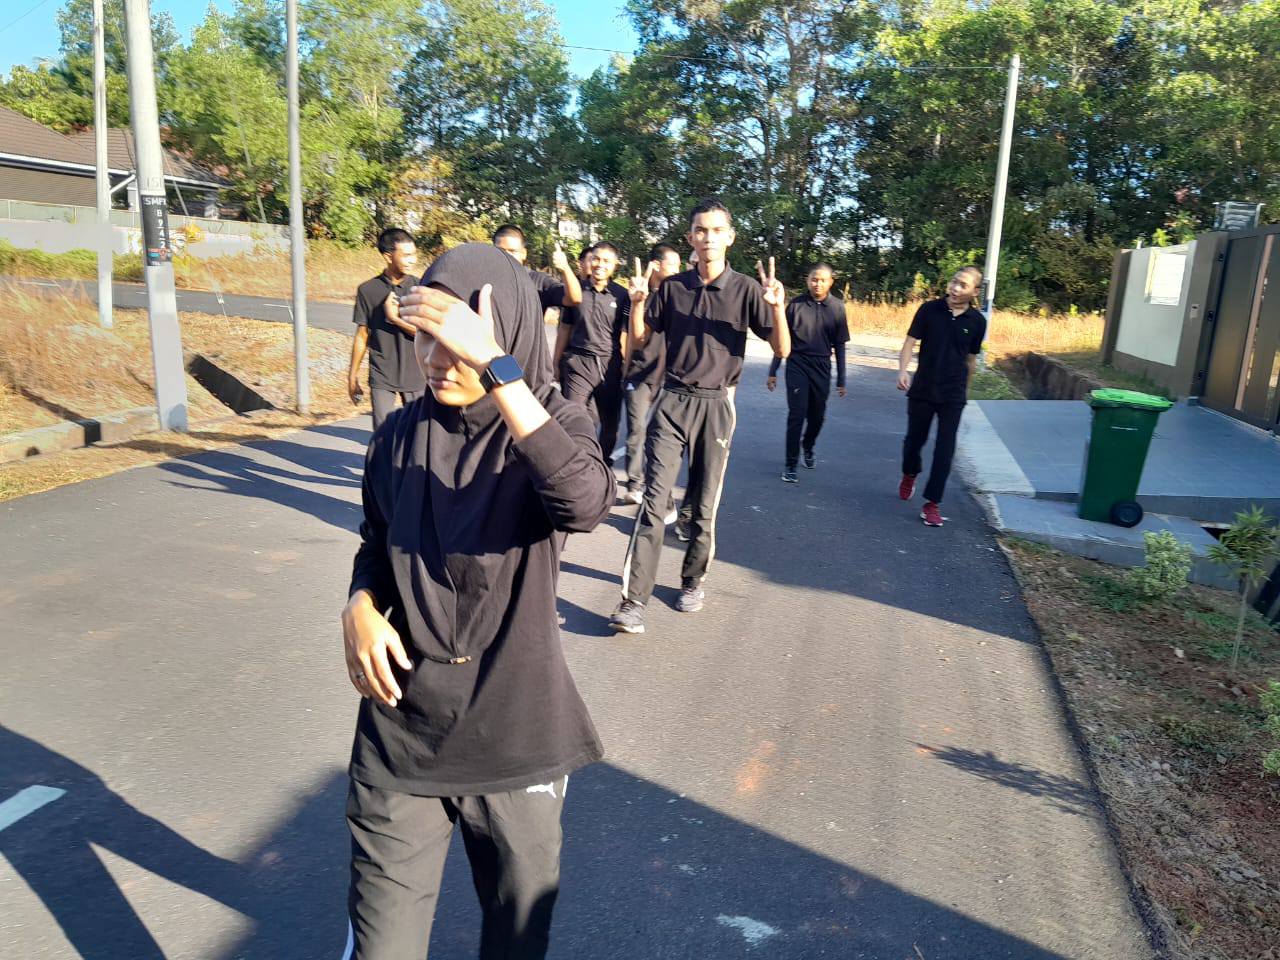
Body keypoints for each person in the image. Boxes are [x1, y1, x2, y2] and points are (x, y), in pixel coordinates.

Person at [340, 243, 613, 957]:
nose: (434, 360)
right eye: (425, 337)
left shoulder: (554, 420)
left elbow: (584, 502)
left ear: (505, 334)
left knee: (516, 942)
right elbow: (377, 540)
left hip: (516, 732)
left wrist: (495, 366)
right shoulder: (397, 436)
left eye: (453, 340)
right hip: (403, 733)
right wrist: (360, 605)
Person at [610, 198, 790, 634]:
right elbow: (639, 339)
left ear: (730, 237)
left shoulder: (747, 289)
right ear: (690, 238)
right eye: (701, 231)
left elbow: (782, 348)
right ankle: (633, 601)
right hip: (672, 402)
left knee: (704, 505)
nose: (708, 238)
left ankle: (692, 581)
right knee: (654, 502)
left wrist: (777, 306)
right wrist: (638, 302)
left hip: (717, 405)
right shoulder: (673, 289)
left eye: (716, 230)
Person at [896, 266, 986, 527]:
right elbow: (910, 342)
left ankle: (932, 504)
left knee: (945, 449)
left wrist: (965, 392)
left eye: (963, 285)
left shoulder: (977, 322)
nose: (955, 288)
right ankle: (910, 472)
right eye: (954, 282)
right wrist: (903, 371)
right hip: (923, 388)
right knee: (914, 441)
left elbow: (971, 360)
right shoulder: (929, 310)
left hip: (953, 394)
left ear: (975, 291)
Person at [767, 262, 849, 482]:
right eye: (814, 279)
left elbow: (840, 346)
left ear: (831, 282)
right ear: (807, 280)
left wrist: (841, 379)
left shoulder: (837, 308)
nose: (817, 284)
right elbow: (782, 340)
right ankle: (790, 464)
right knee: (797, 414)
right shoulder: (796, 305)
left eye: (822, 280)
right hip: (797, 364)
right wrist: (773, 371)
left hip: (821, 366)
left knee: (817, 416)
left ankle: (808, 445)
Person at [551, 241, 630, 466]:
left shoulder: (622, 295)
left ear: (615, 265)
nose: (599, 264)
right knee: (572, 418)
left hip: (609, 365)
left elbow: (626, 335)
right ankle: (573, 466)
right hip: (578, 363)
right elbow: (565, 328)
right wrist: (555, 362)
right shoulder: (576, 291)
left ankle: (600, 464)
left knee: (609, 423)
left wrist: (626, 367)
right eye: (596, 259)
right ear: (589, 261)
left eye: (606, 261)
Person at [620, 243, 682, 504]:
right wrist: (625, 371)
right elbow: (627, 336)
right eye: (673, 264)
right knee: (636, 431)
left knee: (662, 437)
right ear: (656, 265)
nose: (678, 269)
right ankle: (635, 483)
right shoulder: (637, 293)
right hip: (639, 375)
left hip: (668, 377)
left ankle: (658, 487)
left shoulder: (677, 295)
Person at [347, 227, 427, 430]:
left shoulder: (421, 288)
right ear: (388, 256)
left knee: (418, 435)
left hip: (416, 374)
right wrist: (352, 375)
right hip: (382, 374)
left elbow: (425, 333)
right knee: (382, 435)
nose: (412, 260)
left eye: (414, 254)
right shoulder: (367, 290)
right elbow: (362, 335)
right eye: (406, 255)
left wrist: (394, 319)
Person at [492, 223, 582, 317]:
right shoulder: (486, 277)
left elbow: (574, 299)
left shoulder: (538, 281)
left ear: (523, 253)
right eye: (501, 251)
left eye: (513, 251)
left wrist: (565, 268)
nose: (507, 256)